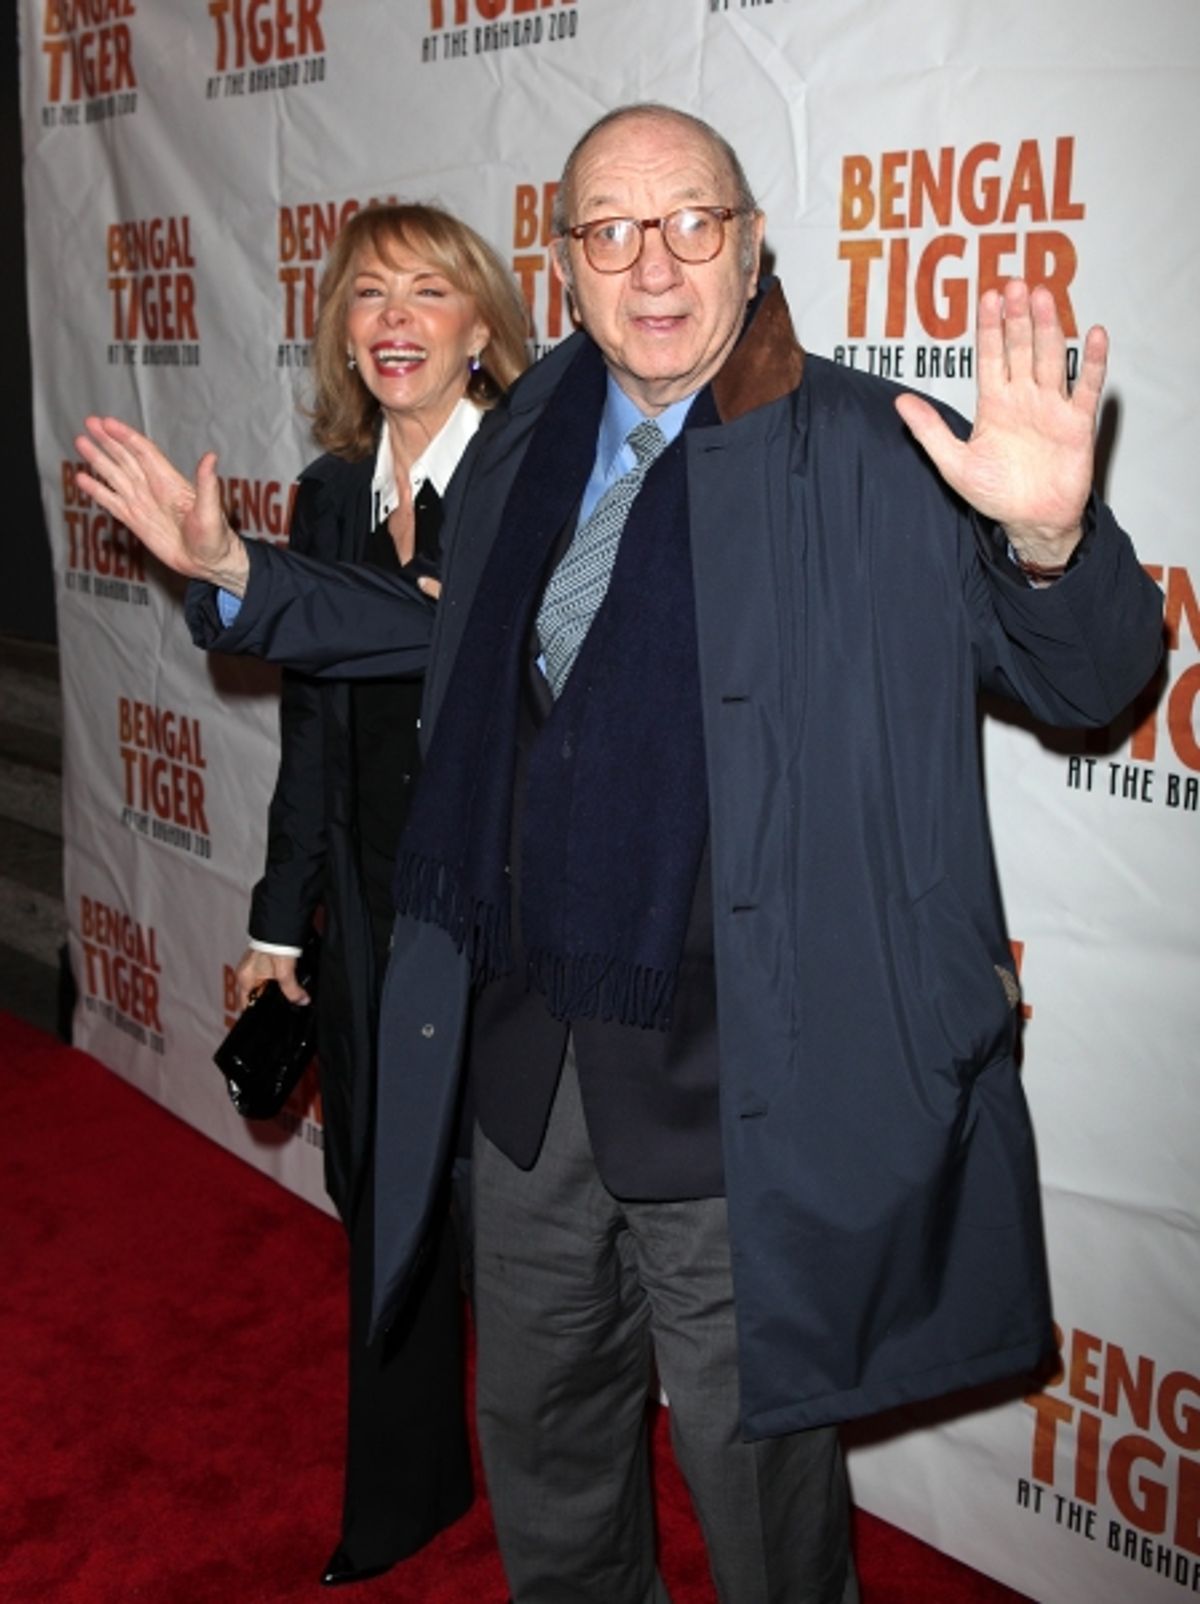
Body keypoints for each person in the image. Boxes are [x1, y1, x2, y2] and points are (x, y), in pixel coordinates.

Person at [77, 103, 1163, 1604]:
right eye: (610, 232)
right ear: (568, 264)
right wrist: (237, 578)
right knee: (549, 1445)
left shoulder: (863, 449)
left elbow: (1089, 680)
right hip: (526, 1064)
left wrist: (1051, 541)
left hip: (737, 1089)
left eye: (691, 224)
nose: (653, 267)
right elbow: (444, 635)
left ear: (753, 242)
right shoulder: (530, 430)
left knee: (760, 1497)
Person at [232, 202, 528, 1588]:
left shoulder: (539, 479)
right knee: (379, 1196)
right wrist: (278, 924)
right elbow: (311, 729)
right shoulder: (322, 496)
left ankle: (554, 1520)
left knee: (515, 1229)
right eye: (367, 296)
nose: (395, 319)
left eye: (427, 292)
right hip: (364, 907)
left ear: (482, 329)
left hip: (505, 919)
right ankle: (405, 1492)